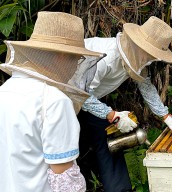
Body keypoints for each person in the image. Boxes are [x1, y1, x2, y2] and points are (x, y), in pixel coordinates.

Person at [78, 16, 172, 192]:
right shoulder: (104, 58)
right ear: (139, 46)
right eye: (150, 54)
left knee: (107, 140)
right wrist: (113, 115)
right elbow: (80, 94)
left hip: (87, 100)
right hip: (60, 100)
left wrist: (166, 116)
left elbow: (146, 86)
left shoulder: (138, 58)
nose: (151, 59)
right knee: (69, 149)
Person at [0, 11, 104, 192]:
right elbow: (63, 176)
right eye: (78, 59)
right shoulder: (54, 101)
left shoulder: (5, 91)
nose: (77, 67)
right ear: (63, 56)